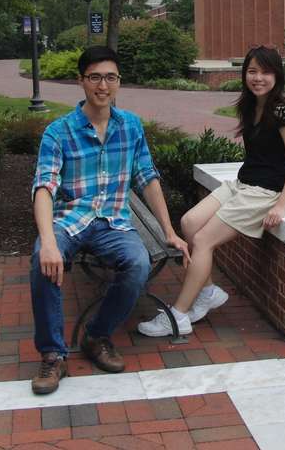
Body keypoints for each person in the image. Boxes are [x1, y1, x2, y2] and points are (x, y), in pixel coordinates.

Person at [29, 45, 188, 395]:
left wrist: (169, 231)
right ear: (81, 81)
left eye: (110, 78)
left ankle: (97, 336)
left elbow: (147, 177)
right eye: (95, 77)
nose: (103, 85)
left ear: (119, 82)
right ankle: (53, 354)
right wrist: (49, 243)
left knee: (137, 263)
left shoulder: (130, 126)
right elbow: (44, 187)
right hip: (70, 219)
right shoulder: (59, 132)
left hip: (114, 220)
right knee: (42, 258)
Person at [137, 45, 285, 337]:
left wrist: (281, 205)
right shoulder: (250, 105)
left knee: (202, 241)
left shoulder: (282, 111)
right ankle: (209, 291)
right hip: (242, 184)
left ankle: (178, 316)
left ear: (277, 75)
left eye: (266, 72)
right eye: (252, 71)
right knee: (189, 222)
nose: (258, 78)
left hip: (264, 193)